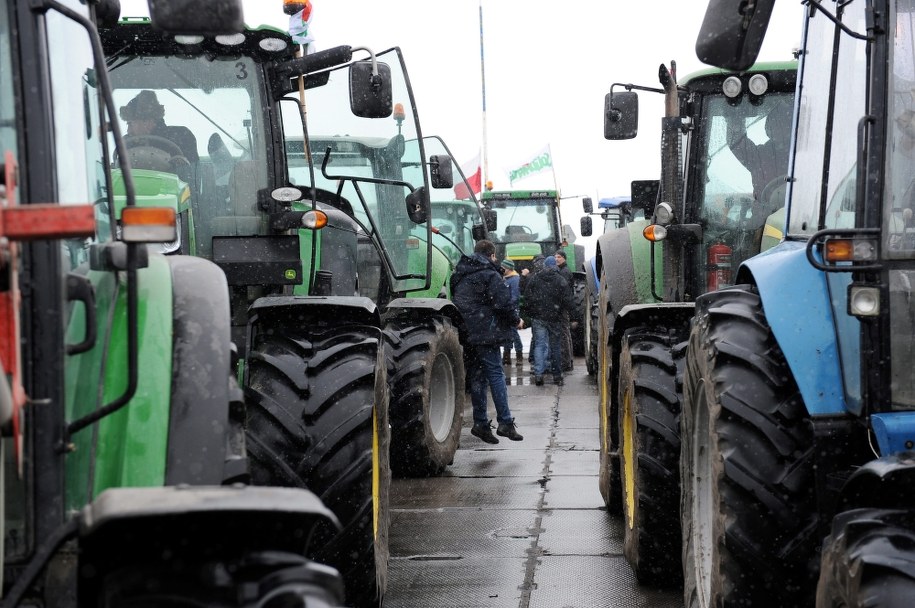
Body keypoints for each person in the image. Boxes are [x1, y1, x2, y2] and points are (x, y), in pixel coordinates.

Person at [450, 240, 524, 443]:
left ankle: (481, 423)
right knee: (496, 374)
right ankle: (505, 422)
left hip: (467, 332)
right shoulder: (490, 274)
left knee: (477, 377)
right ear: (491, 255)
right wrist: (516, 320)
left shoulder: (460, 274)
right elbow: (502, 303)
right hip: (486, 332)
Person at [523, 255, 575, 386]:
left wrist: (531, 313)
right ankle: (557, 376)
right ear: (555, 266)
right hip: (555, 318)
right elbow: (568, 300)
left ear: (545, 265)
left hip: (538, 318)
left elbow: (527, 297)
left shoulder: (535, 278)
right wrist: (572, 316)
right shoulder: (560, 280)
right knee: (555, 346)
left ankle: (539, 375)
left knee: (539, 345)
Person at [119, 90, 199, 174]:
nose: (128, 130)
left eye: (130, 124)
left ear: (147, 120)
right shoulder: (126, 142)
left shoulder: (182, 136)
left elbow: (192, 178)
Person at [553, 249, 575, 372]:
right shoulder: (562, 270)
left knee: (564, 334)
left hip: (562, 308)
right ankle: (568, 361)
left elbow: (564, 292)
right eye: (555, 257)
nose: (557, 259)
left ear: (564, 258)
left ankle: (566, 362)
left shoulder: (564, 272)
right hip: (562, 307)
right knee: (565, 334)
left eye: (559, 257)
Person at [501, 258, 524, 365]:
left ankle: (518, 354)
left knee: (513, 332)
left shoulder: (514, 279)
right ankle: (507, 356)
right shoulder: (505, 278)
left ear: (508, 268)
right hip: (507, 309)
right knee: (507, 332)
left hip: (512, 309)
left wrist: (507, 304)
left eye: (503, 267)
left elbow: (515, 296)